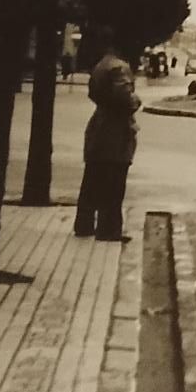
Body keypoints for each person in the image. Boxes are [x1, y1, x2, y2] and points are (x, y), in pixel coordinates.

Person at [73, 29, 142, 242]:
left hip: (99, 128)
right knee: (113, 183)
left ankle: (84, 224)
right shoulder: (119, 67)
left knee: (92, 180)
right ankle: (109, 229)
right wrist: (136, 101)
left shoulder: (102, 65)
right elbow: (125, 98)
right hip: (116, 131)